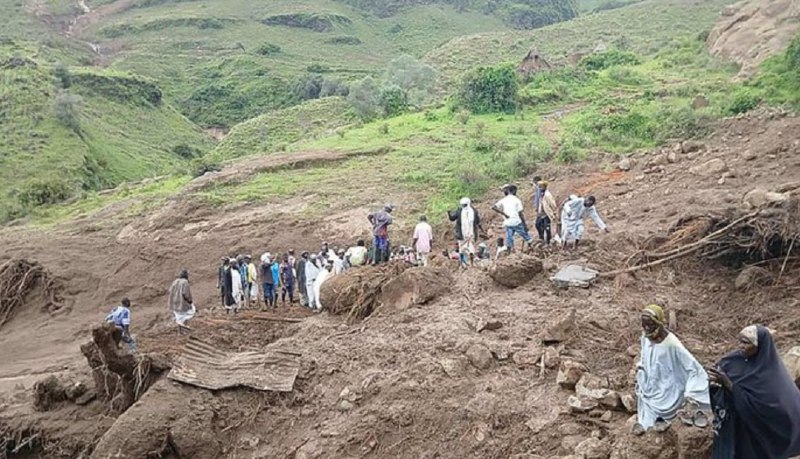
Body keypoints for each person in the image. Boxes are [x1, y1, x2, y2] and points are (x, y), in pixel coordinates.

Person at [708, 325, 800, 459]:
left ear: (759, 346)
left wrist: (729, 384)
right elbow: (721, 368)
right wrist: (715, 381)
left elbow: (770, 409)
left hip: (756, 433)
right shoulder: (734, 359)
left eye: (746, 343)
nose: (740, 346)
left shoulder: (771, 376)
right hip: (736, 425)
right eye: (740, 341)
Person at [634, 304, 710, 435]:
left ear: (658, 323)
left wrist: (691, 392)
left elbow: (693, 368)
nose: (646, 328)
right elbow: (645, 355)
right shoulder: (646, 337)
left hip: (669, 389)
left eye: (650, 325)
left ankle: (666, 419)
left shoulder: (672, 344)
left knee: (665, 403)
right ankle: (648, 423)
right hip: (652, 385)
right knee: (647, 407)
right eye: (644, 324)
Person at [492, 184, 533, 252]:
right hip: (516, 222)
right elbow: (520, 214)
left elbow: (493, 207)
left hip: (508, 223)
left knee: (509, 238)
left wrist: (504, 214)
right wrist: (525, 225)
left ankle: (509, 252)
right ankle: (531, 248)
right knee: (526, 236)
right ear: (514, 191)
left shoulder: (503, 200)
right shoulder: (517, 200)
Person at [449, 197, 484, 267]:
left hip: (461, 234)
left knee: (461, 248)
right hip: (471, 233)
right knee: (471, 246)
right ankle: (471, 261)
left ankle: (463, 263)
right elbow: (477, 221)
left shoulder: (459, 211)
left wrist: (449, 213)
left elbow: (452, 218)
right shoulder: (474, 211)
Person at [535, 181, 558, 246]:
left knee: (547, 228)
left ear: (544, 187)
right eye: (539, 187)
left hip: (546, 214)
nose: (539, 188)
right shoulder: (541, 194)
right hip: (540, 213)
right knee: (537, 225)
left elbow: (553, 204)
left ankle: (548, 241)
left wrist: (553, 212)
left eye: (540, 187)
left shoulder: (548, 195)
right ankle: (541, 238)